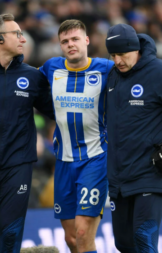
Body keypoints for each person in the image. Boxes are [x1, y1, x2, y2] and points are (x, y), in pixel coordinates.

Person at [105, 23, 162, 252]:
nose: (117, 61)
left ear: (136, 49)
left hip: (151, 174)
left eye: (122, 54)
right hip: (119, 179)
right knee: (124, 244)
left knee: (143, 240)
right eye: (112, 55)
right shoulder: (113, 76)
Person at [0, 14, 54, 253]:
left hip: (18, 164)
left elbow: (56, 113)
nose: (23, 39)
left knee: (10, 235)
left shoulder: (33, 76)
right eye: (16, 34)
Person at [38, 20, 113, 253]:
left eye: (75, 39)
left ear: (87, 40)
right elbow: (25, 80)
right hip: (63, 161)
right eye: (65, 41)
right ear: (60, 45)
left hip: (95, 159)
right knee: (71, 238)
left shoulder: (106, 69)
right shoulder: (51, 68)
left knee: (83, 232)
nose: (71, 44)